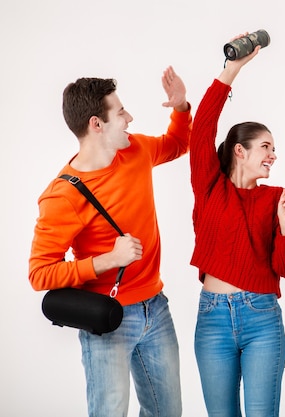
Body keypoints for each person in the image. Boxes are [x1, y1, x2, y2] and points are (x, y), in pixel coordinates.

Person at [28, 66, 191, 416]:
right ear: (96, 125)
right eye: (121, 112)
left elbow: (178, 144)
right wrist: (107, 260)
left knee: (169, 412)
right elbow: (40, 274)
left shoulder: (135, 151)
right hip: (107, 319)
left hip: (156, 308)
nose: (130, 118)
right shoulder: (62, 196)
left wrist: (180, 107)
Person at [189, 35, 285, 417]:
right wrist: (231, 70)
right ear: (240, 150)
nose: (274, 155)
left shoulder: (276, 200)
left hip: (261, 318)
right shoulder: (210, 186)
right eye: (266, 147)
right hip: (213, 317)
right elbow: (201, 128)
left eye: (274, 148)